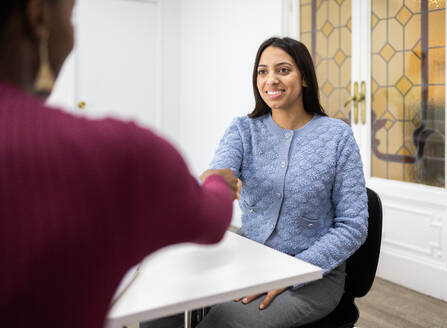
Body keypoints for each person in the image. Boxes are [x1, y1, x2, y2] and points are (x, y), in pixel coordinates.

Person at [0, 1, 239, 328]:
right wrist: (217, 182)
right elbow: (212, 218)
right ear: (37, 15)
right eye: (71, 16)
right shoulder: (121, 154)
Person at [195, 37, 369, 328]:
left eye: (283, 70)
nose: (271, 80)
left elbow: (353, 224)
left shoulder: (337, 137)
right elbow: (221, 170)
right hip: (250, 255)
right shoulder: (243, 129)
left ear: (304, 78)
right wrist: (215, 181)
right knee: (163, 303)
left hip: (313, 273)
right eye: (262, 71)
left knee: (225, 319)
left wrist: (293, 274)